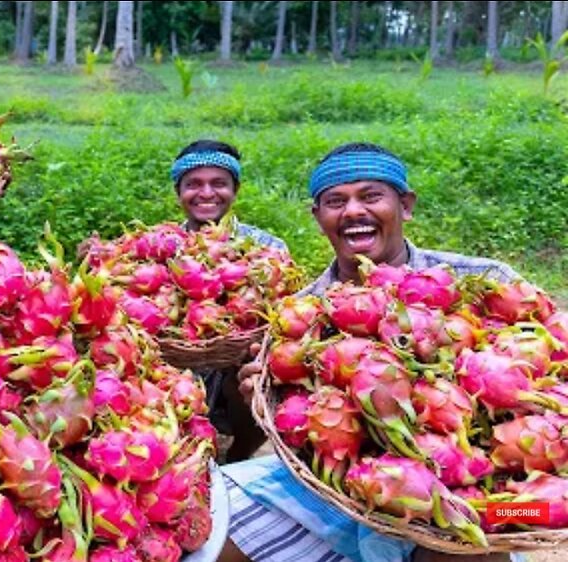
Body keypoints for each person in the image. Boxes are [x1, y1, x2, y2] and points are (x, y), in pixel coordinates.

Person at [220, 142, 519, 562]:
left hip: (476, 498)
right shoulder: (299, 317)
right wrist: (261, 397)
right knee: (212, 523)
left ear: (406, 205)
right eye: (335, 201)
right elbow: (304, 431)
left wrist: (477, 506)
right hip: (343, 494)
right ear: (318, 217)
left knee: (498, 523)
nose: (353, 211)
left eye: (371, 196)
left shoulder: (485, 281)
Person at [169, 139, 289, 462]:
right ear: (178, 191)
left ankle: (237, 456)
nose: (206, 193)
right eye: (193, 184)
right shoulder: (162, 248)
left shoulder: (266, 247)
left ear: (235, 190)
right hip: (176, 367)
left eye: (219, 183)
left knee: (255, 374)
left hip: (238, 367)